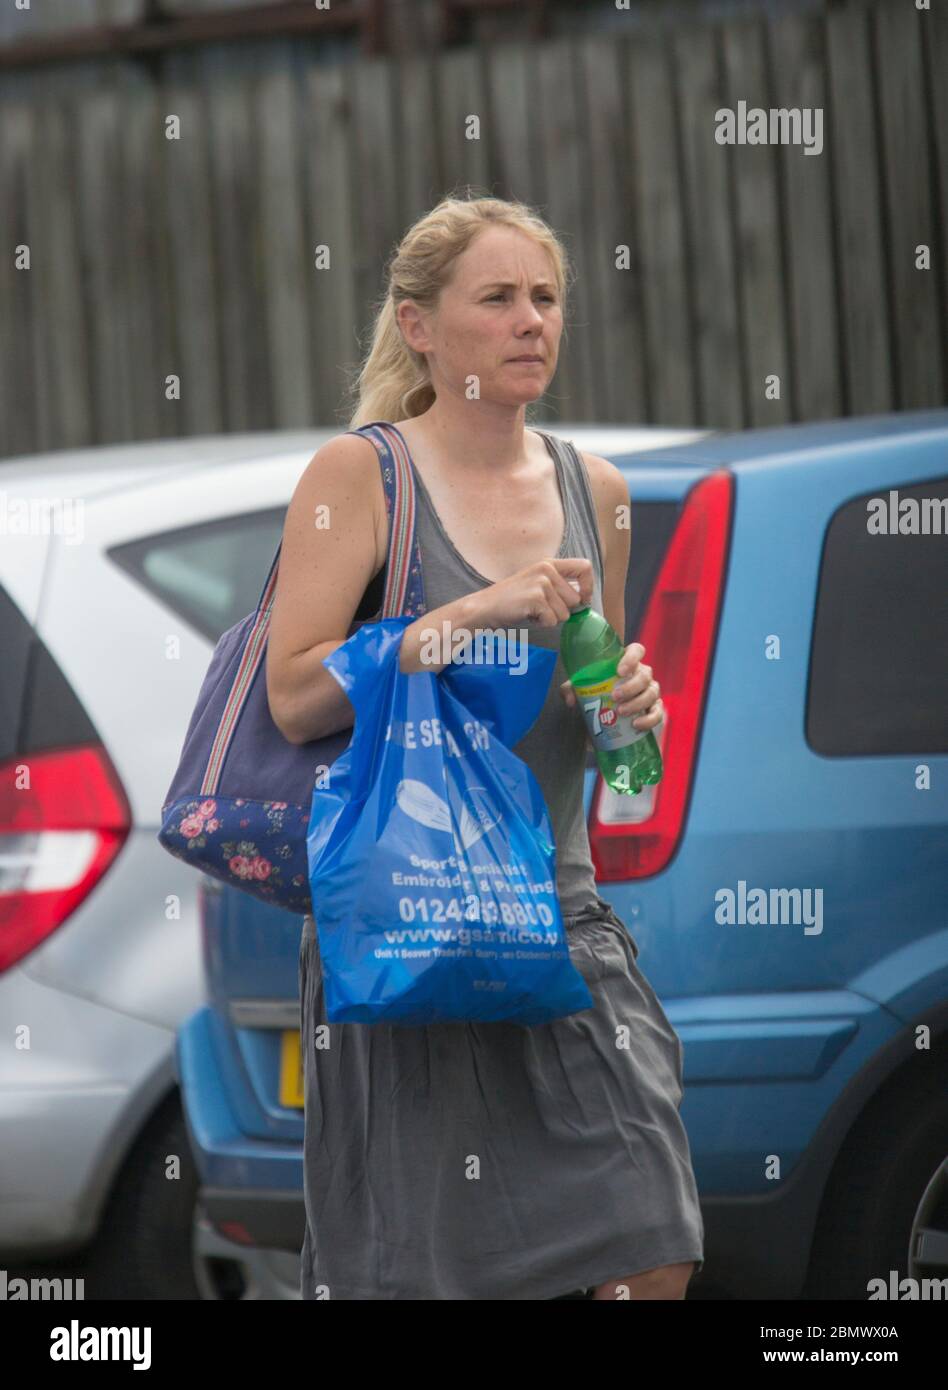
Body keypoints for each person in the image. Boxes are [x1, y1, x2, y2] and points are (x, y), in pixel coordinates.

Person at [266, 192, 705, 1300]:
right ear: (419, 325)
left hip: (561, 917)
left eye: (547, 298)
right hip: (407, 930)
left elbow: (589, 707)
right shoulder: (360, 478)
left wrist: (629, 709)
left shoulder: (591, 490)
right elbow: (294, 692)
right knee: (424, 1279)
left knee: (654, 1242)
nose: (531, 323)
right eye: (498, 298)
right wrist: (481, 608)